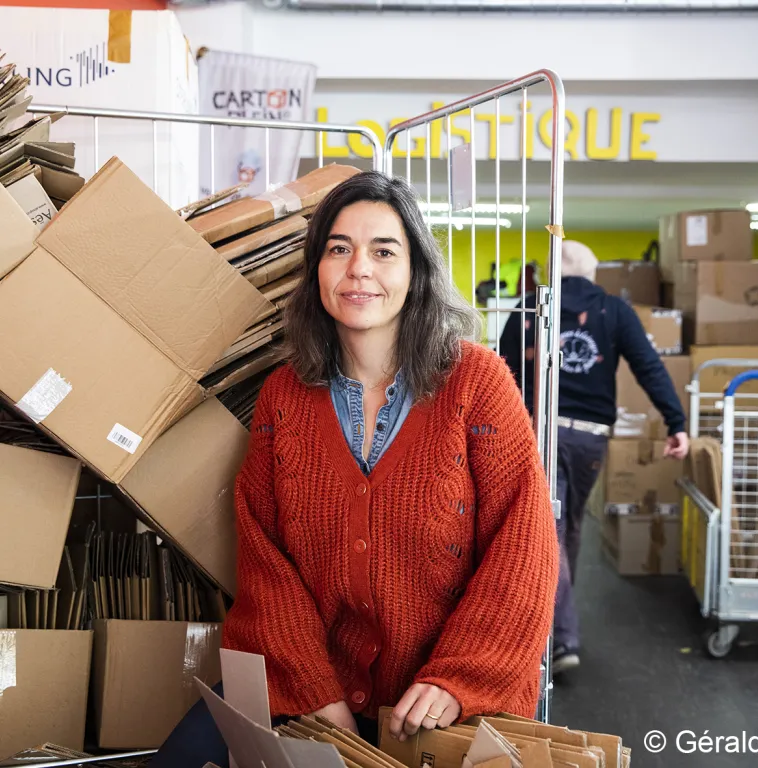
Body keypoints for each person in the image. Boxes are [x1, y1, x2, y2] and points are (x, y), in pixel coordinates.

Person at [150, 171, 558, 768]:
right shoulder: (284, 395)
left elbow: (524, 545)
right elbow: (264, 557)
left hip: (444, 700)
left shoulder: (475, 382)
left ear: (416, 271)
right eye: (339, 249)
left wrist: (456, 678)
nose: (359, 268)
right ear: (316, 268)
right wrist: (314, 692)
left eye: (383, 251)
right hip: (309, 681)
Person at [499, 240, 689, 678]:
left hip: (538, 431)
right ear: (592, 273)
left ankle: (555, 629)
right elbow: (648, 366)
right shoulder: (613, 310)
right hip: (590, 438)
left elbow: (503, 371)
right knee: (563, 526)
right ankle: (559, 631)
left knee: (552, 529)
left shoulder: (529, 307)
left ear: (549, 270)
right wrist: (675, 421)